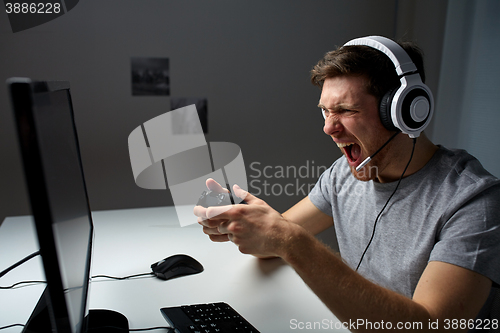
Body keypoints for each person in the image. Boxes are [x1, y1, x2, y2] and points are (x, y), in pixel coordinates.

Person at [194, 36, 500, 330]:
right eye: (325, 111)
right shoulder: (343, 174)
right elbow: (274, 242)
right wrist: (243, 220)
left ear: (405, 111)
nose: (328, 127)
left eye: (346, 110)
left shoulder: (474, 201)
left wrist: (292, 241)